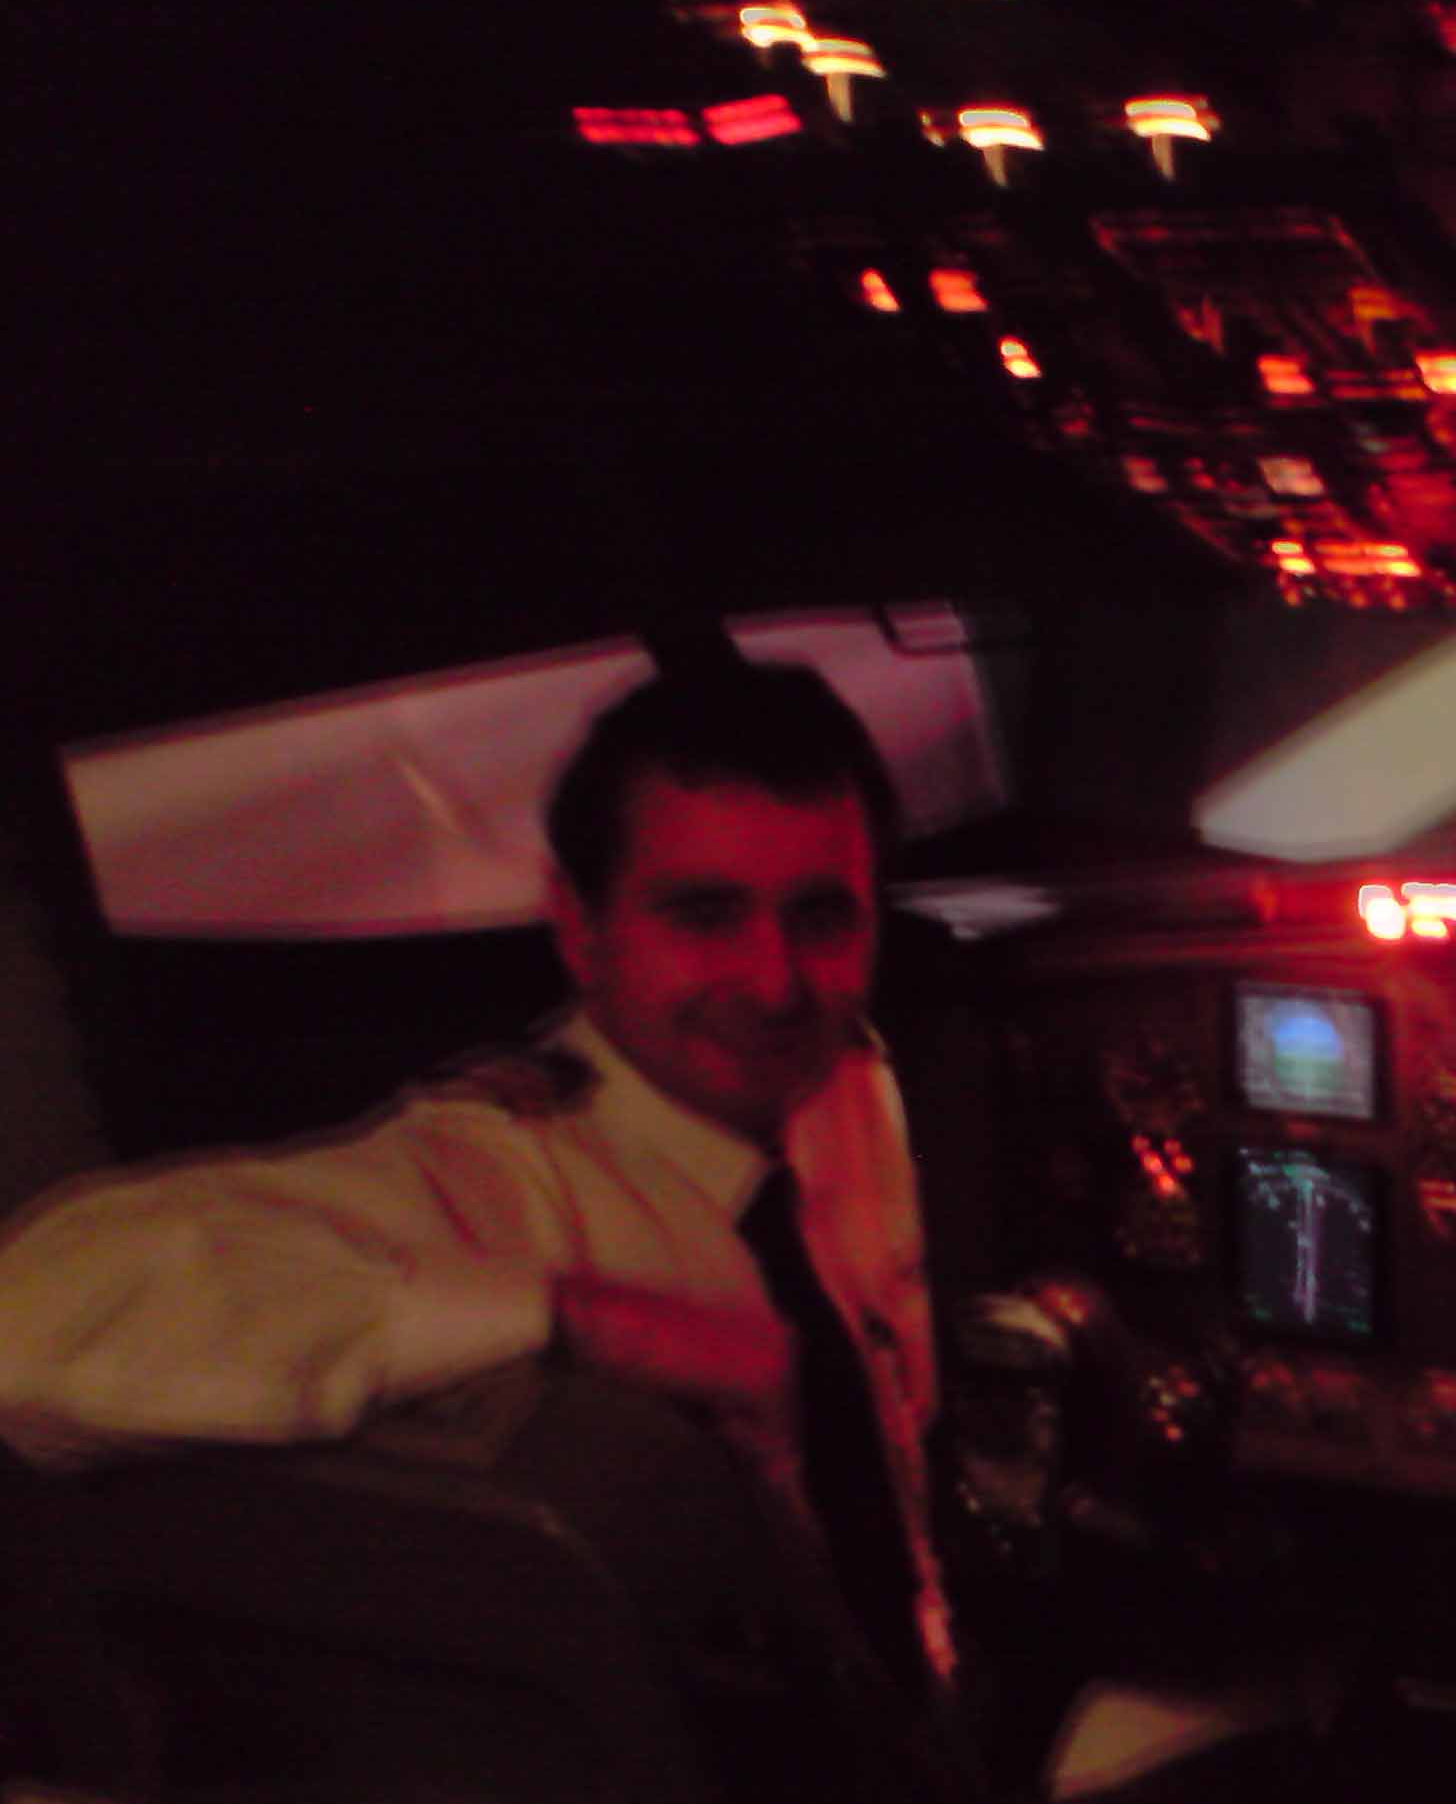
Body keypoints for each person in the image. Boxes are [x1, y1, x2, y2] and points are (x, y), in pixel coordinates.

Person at [0, 657, 953, 1704]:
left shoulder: (852, 1090)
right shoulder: (489, 1174)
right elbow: (35, 1315)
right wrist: (591, 1320)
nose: (774, 984)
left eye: (820, 918)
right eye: (703, 914)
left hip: (920, 1715)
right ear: (578, 928)